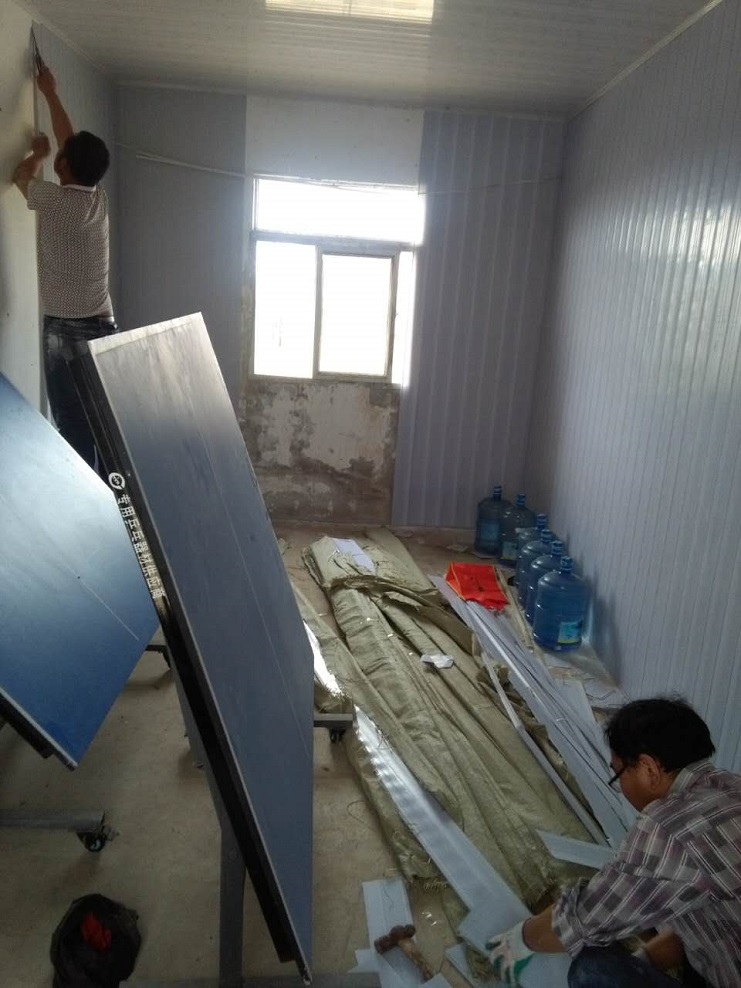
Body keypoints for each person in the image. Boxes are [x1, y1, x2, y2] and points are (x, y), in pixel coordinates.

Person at [486, 697, 741, 988]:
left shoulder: (672, 827)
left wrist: (519, 940)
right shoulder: (731, 787)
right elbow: (707, 923)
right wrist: (644, 960)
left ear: (648, 768)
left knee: (591, 971)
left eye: (618, 773)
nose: (621, 787)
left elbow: (588, 915)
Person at [12, 66, 117, 470]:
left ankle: (86, 497)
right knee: (99, 424)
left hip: (66, 330)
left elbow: (20, 176)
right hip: (102, 325)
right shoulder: (95, 199)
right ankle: (107, 493)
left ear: (64, 164)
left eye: (61, 154)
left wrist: (37, 154)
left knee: (73, 425)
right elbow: (68, 141)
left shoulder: (55, 202)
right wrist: (50, 93)